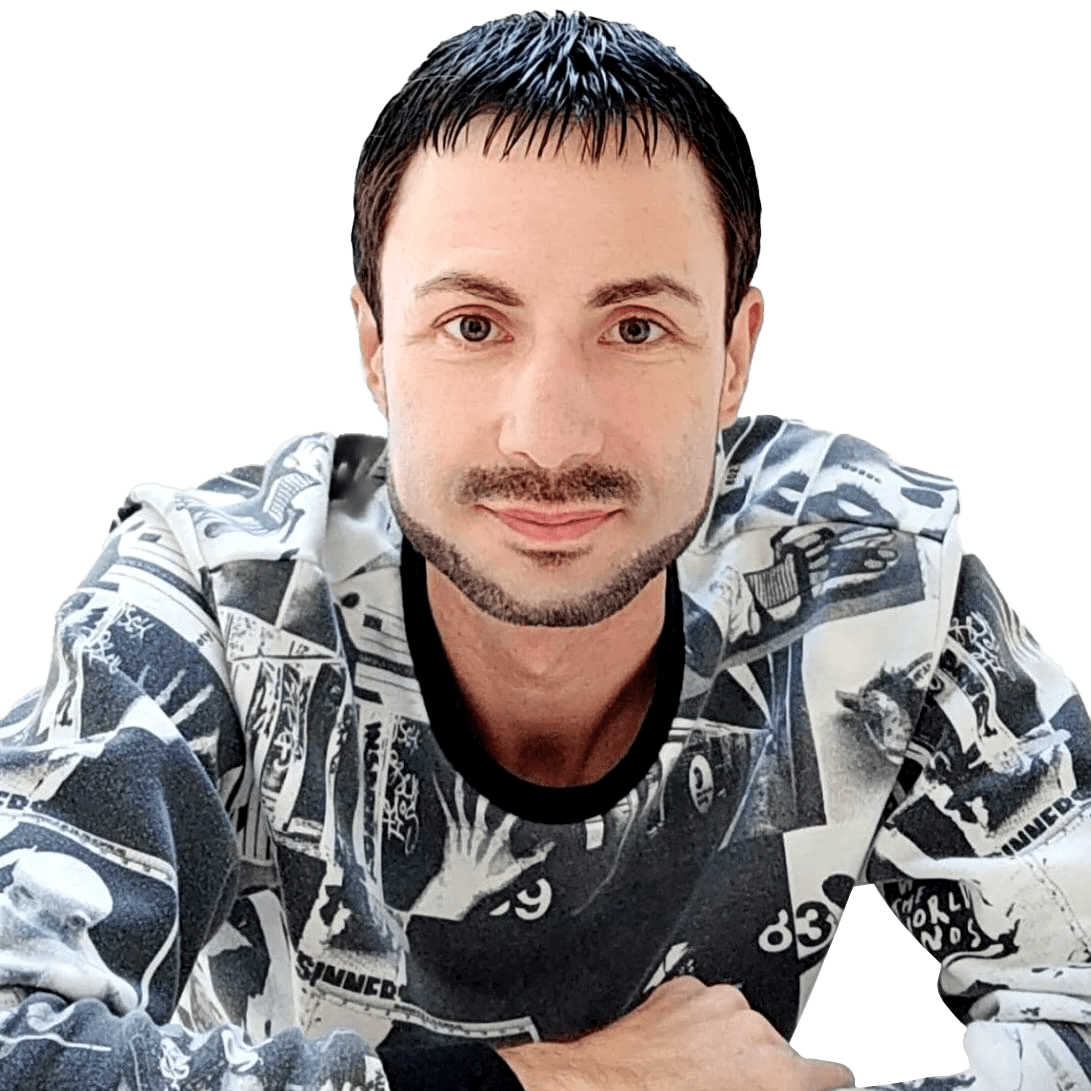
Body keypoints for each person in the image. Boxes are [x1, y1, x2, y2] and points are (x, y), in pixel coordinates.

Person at [0, 9, 1087, 1091]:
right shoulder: (207, 596)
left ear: (732, 356)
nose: (548, 435)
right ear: (377, 350)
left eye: (634, 328)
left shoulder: (873, 584)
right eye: (473, 325)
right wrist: (566, 1082)